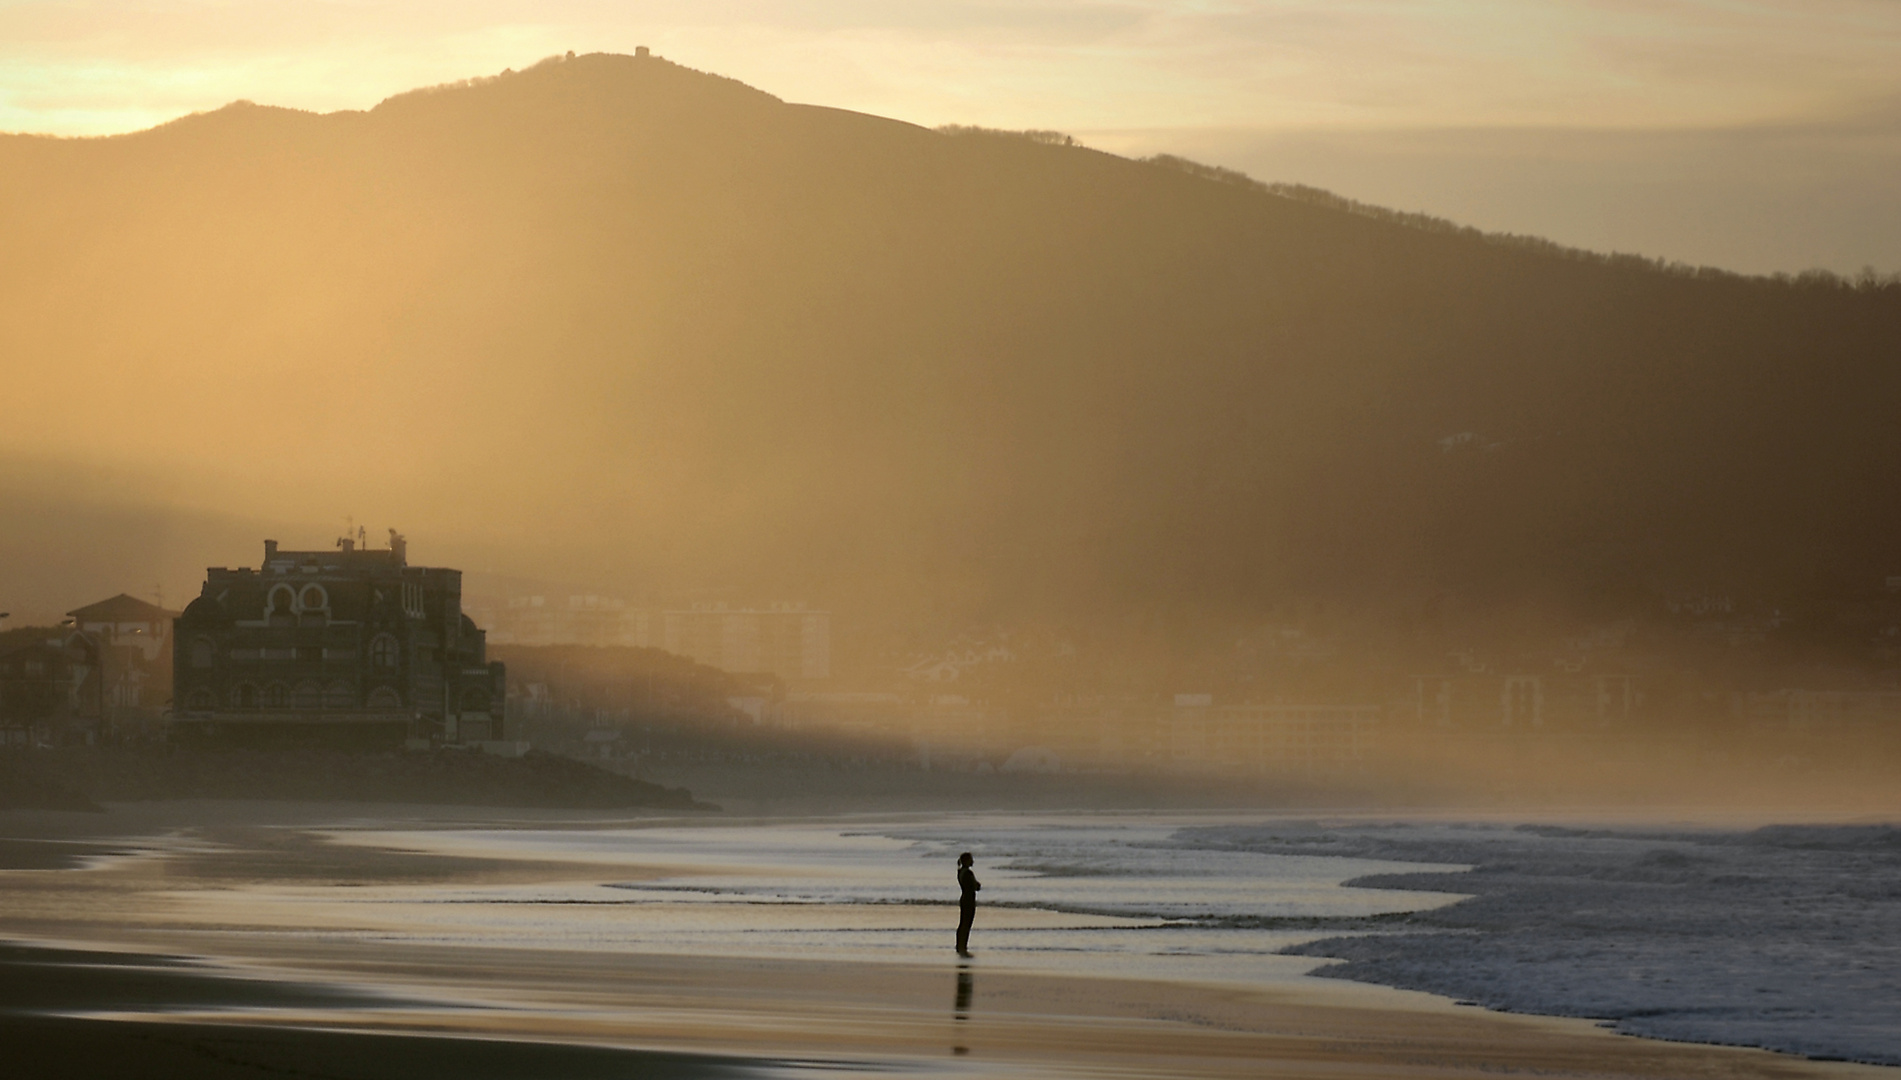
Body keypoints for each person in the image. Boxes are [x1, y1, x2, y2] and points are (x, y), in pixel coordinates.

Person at [955, 851, 981, 956]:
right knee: (966, 923)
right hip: (969, 899)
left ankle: (960, 945)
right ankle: (962, 946)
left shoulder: (960, 872)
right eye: (970, 859)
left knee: (963, 923)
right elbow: (975, 886)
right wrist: (977, 885)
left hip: (964, 898)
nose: (972, 861)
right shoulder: (968, 873)